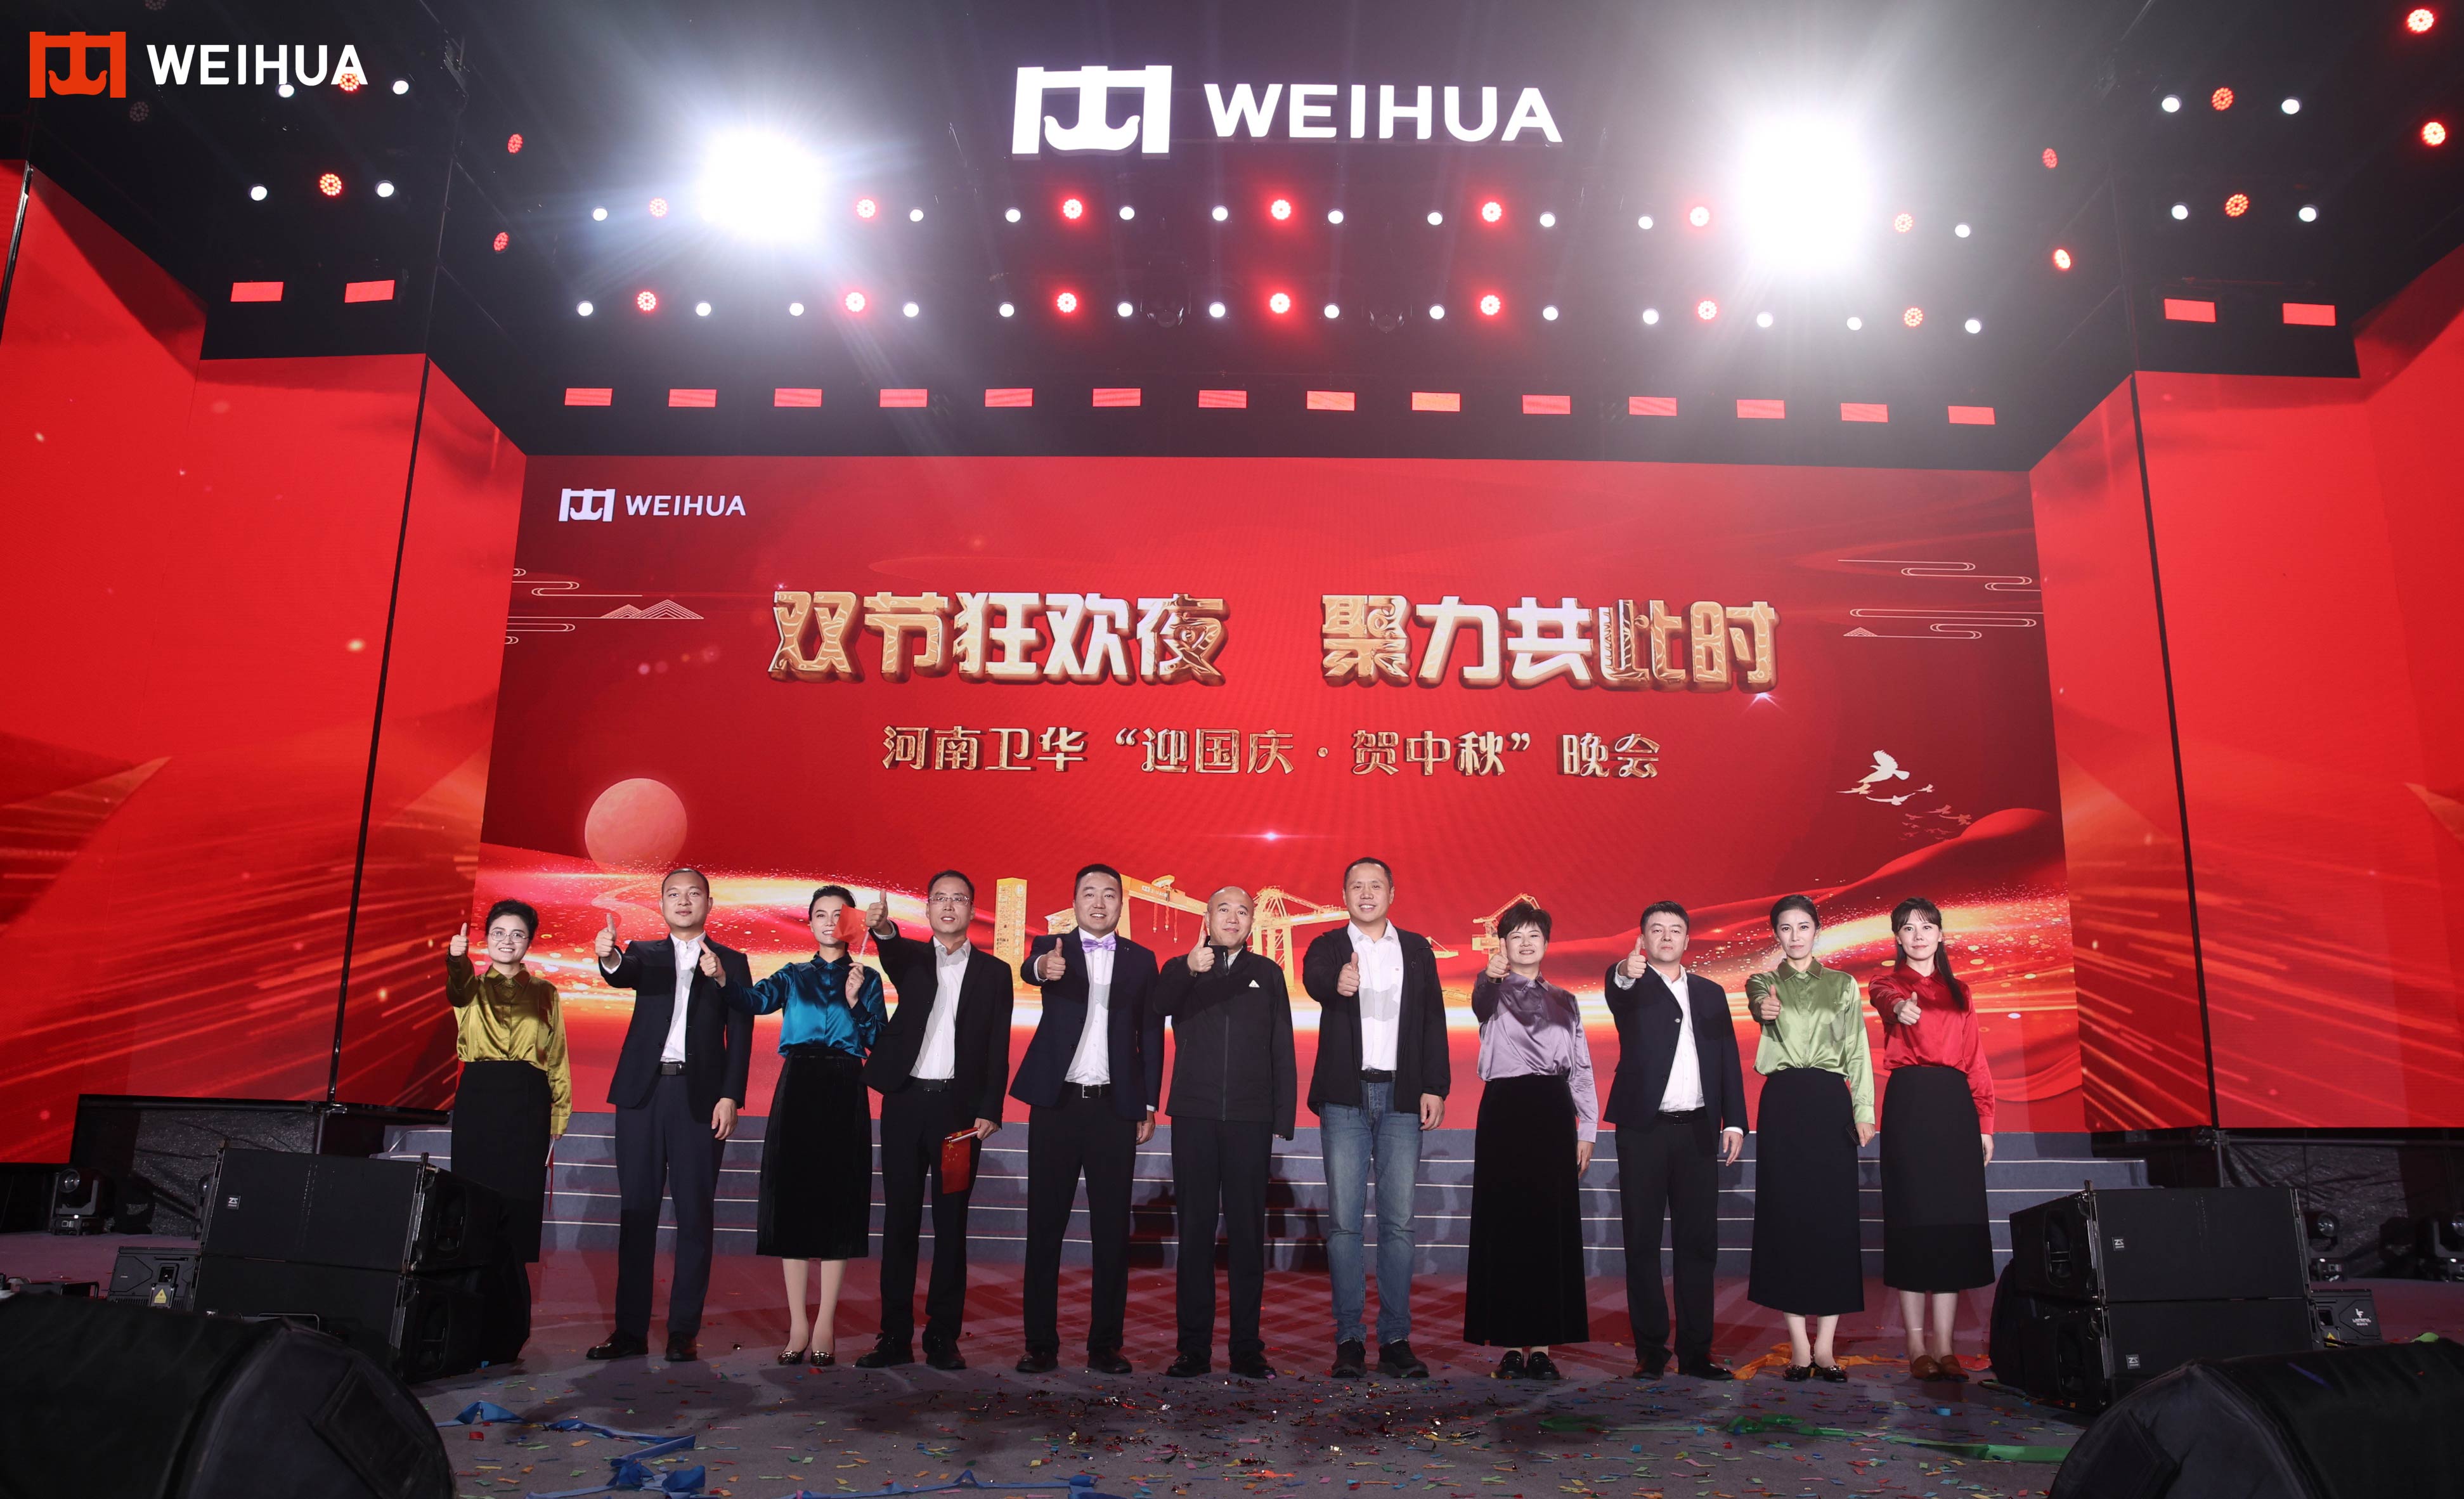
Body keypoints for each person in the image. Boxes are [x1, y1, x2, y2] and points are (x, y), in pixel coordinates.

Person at [717, 884, 887, 1367]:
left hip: (846, 1087)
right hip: (797, 1087)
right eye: (820, 914)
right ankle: (797, 1324)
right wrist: (721, 978)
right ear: (809, 923)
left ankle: (826, 1322)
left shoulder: (867, 977)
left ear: (851, 922)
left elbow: (881, 1040)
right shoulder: (792, 975)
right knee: (792, 1204)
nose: (830, 922)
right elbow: (752, 1000)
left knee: (837, 1205)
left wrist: (856, 1002)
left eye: (839, 914)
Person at [589, 867, 754, 1363]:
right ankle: (630, 1331)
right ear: (661, 904)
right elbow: (621, 971)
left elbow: (741, 1034)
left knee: (695, 1214)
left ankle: (683, 1330)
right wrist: (609, 955)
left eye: (693, 894)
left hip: (698, 1099)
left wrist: (731, 1096)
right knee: (637, 1211)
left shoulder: (732, 962)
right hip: (642, 1096)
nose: (683, 901)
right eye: (674, 894)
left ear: (709, 903)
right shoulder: (644, 952)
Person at [1299, 855, 1450, 1380]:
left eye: (1376, 886)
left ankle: (1395, 1339)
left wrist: (1435, 1086)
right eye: (1357, 886)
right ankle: (1348, 1339)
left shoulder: (1416, 949)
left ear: (1392, 893)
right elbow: (1315, 979)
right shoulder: (1328, 946)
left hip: (1403, 1097)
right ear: (1344, 895)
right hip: (1345, 1098)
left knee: (1398, 1224)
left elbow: (1433, 1018)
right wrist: (1337, 982)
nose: (1366, 894)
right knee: (1344, 1224)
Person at [857, 872, 1015, 1371]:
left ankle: (943, 1336)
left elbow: (998, 1047)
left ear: (972, 910)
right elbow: (890, 947)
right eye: (940, 899)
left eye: (959, 899)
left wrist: (990, 1108)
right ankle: (894, 1336)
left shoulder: (994, 973)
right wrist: (882, 929)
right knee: (900, 1220)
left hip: (957, 1117)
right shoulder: (912, 960)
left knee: (951, 1224)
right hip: (905, 1106)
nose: (949, 906)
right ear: (927, 910)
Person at [1012, 864, 1165, 1375]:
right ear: (1075, 901)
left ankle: (1105, 1345)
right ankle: (1040, 1343)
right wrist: (1043, 968)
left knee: (1111, 1232)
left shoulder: (1143, 960)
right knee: (1045, 1226)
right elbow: (1030, 969)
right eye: (1089, 894)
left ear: (1122, 903)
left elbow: (1150, 1034)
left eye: (1109, 895)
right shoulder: (1051, 948)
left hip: (1113, 1110)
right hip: (1056, 1106)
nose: (1099, 903)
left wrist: (1148, 1104)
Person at [1602, 900, 1749, 1380]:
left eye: (1675, 930)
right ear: (1643, 938)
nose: (1666, 937)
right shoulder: (1631, 983)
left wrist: (1734, 1121)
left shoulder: (1710, 993)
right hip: (1644, 1131)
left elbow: (1727, 1057)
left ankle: (1696, 1352)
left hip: (1699, 1132)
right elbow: (1617, 987)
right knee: (1642, 1241)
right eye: (1657, 930)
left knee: (1698, 1244)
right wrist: (1625, 971)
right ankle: (1650, 1351)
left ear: (1688, 939)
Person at [1154, 886, 1296, 1380]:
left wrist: (1282, 1116)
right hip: (1193, 1116)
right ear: (1208, 918)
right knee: (1195, 1232)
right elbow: (1156, 1006)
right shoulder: (1182, 968)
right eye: (1223, 909)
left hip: (1250, 1120)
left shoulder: (1268, 974)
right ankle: (1193, 1348)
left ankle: (1246, 1348)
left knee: (1247, 1235)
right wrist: (1188, 969)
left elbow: (1282, 1044)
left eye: (1242, 911)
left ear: (1252, 921)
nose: (1232, 918)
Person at [1743, 895, 1876, 1381]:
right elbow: (1758, 1000)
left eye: (1803, 926)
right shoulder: (1765, 981)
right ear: (1776, 934)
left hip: (1830, 1101)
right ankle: (1799, 1345)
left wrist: (1865, 1111)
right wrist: (1763, 1007)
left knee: (1832, 1219)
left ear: (1817, 930)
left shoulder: (1842, 984)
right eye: (1786, 928)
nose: (1795, 935)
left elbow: (1856, 1048)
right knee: (1787, 1218)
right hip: (1782, 1103)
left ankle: (1825, 1346)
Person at [1463, 900, 1595, 1381]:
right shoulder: (1491, 990)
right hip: (1504, 1111)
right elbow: (1480, 1002)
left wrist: (1588, 1128)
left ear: (1546, 943)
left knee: (1548, 1226)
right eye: (1515, 935)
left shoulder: (1566, 1000)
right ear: (1503, 944)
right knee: (1506, 1224)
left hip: (1552, 1113)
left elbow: (1581, 1068)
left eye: (1533, 935)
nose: (1525, 942)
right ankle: (1508, 1345)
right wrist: (1489, 976)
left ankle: (1540, 1347)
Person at [1867, 897, 1997, 1383]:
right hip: (1910, 1103)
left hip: (1955, 1107)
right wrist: (1900, 1007)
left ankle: (1945, 1346)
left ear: (1941, 934)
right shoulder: (1888, 983)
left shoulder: (1961, 991)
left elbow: (1976, 1058)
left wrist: (1985, 1123)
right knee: (1912, 1218)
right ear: (1898, 938)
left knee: (1950, 1224)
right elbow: (1884, 999)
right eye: (1908, 928)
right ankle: (1916, 1345)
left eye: (1927, 926)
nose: (1918, 935)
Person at [443, 899, 572, 1314]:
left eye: (518, 934)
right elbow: (457, 987)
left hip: (529, 1100)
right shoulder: (471, 987)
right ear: (486, 939)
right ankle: (466, 1305)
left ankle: (508, 1312)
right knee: (474, 1200)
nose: (507, 941)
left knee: (518, 1204)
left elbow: (557, 1055)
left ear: (529, 941)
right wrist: (456, 959)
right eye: (498, 933)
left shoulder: (546, 993)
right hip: (480, 1097)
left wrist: (559, 1114)